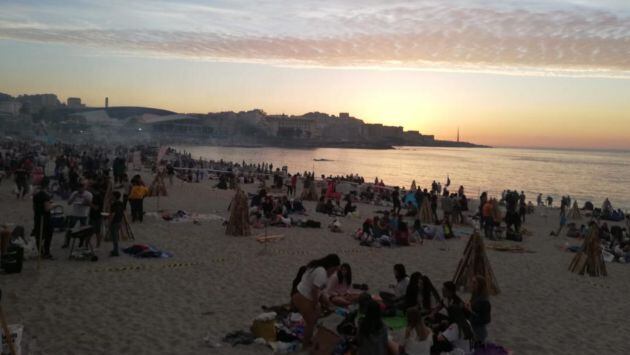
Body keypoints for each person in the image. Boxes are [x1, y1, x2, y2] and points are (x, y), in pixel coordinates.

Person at [291, 254, 341, 347]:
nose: (333, 273)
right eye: (334, 270)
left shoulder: (317, 266)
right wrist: (316, 303)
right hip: (303, 296)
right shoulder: (321, 272)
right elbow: (315, 290)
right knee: (311, 322)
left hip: (299, 293)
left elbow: (320, 292)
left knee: (315, 316)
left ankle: (307, 339)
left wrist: (327, 304)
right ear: (331, 266)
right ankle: (305, 344)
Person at [465, 276, 491, 345]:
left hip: (479, 332)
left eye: (474, 283)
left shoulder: (484, 300)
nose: (472, 284)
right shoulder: (475, 295)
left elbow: (485, 319)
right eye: (472, 282)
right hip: (472, 328)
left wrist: (470, 310)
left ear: (480, 285)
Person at [32, 177, 54, 259]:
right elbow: (47, 208)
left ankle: (40, 252)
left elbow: (34, 207)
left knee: (39, 235)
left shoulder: (36, 195)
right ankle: (46, 252)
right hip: (45, 218)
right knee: (48, 235)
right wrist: (53, 205)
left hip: (37, 217)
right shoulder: (45, 195)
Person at [108, 191, 125, 257]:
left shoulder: (114, 204)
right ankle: (115, 250)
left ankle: (116, 251)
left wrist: (109, 222)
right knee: (115, 237)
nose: (111, 197)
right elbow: (122, 212)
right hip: (119, 221)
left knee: (114, 238)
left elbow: (113, 214)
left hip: (114, 222)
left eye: (112, 196)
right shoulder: (121, 203)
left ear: (114, 196)